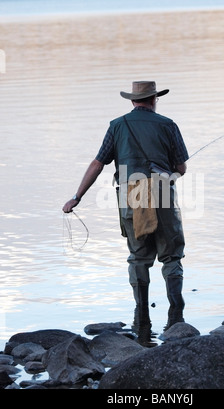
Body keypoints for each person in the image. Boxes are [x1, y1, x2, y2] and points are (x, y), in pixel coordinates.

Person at [62, 81, 189, 343]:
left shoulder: (117, 126)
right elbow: (181, 168)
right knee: (171, 255)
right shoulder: (168, 124)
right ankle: (176, 315)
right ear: (154, 99)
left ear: (133, 101)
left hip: (131, 194)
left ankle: (141, 314)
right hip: (163, 191)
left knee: (139, 257)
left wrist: (77, 197)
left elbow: (98, 163)